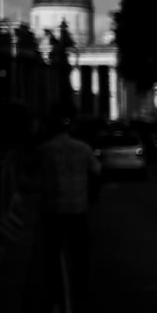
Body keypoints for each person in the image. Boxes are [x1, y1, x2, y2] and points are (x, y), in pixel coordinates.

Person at [35, 113, 101, 300]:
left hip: (52, 207)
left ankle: (55, 291)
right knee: (80, 252)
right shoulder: (83, 148)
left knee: (52, 252)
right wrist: (92, 195)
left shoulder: (45, 149)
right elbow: (96, 171)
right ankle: (81, 288)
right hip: (77, 207)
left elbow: (29, 170)